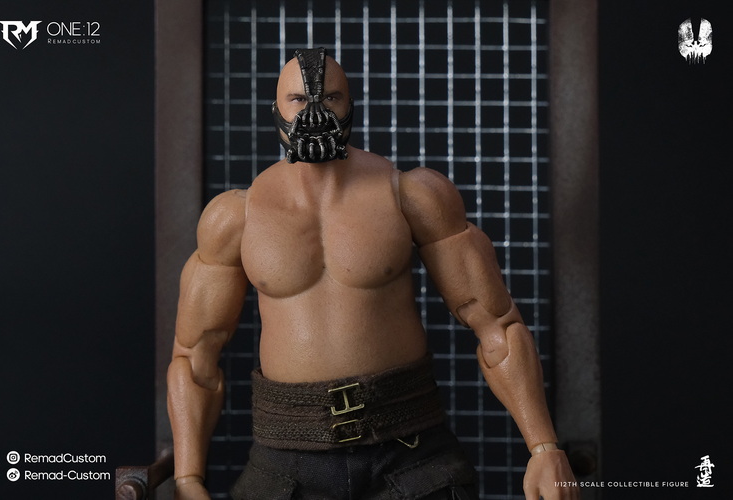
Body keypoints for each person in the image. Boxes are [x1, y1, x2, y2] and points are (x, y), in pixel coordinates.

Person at [167, 47, 580, 500]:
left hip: (410, 451)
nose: (315, 112)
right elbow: (195, 356)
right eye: (298, 100)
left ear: (351, 105)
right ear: (276, 110)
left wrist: (544, 447)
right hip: (288, 457)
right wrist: (188, 478)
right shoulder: (234, 217)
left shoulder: (414, 195)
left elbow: (496, 325)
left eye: (331, 98)